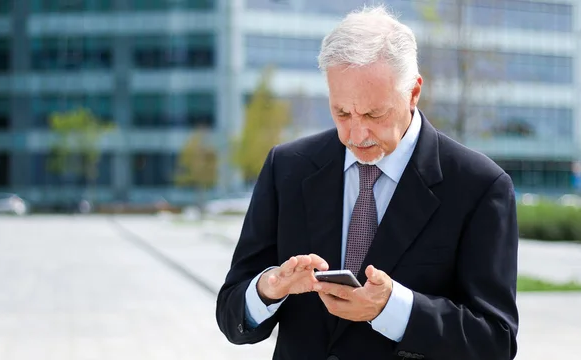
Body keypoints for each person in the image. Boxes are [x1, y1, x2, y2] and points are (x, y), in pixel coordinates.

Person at [216, 5, 519, 360]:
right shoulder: (287, 168)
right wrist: (268, 290)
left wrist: (392, 309)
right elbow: (230, 313)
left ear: (414, 92)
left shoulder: (479, 186)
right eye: (342, 112)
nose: (356, 134)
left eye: (375, 114)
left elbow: (495, 340)